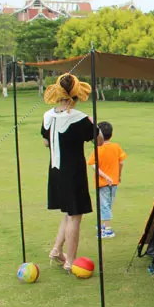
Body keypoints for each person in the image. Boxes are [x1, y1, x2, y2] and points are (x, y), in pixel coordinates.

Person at [41, 73, 103, 273]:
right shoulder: (80, 119)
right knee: (75, 216)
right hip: (73, 172)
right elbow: (99, 141)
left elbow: (45, 142)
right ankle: (70, 260)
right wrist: (94, 123)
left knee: (69, 213)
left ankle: (57, 250)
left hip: (55, 171)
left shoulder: (48, 116)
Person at [87, 121, 127, 239]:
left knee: (104, 204)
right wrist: (118, 176)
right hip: (114, 181)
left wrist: (105, 176)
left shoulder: (98, 149)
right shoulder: (116, 147)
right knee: (108, 203)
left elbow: (94, 166)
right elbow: (121, 163)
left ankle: (108, 229)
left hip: (103, 182)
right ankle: (104, 224)